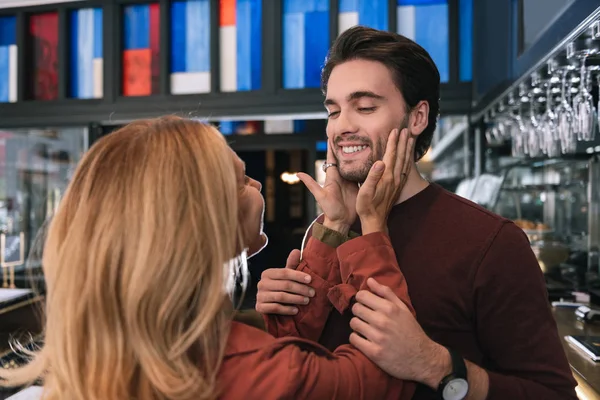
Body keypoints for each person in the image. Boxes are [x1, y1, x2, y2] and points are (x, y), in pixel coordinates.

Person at [256, 26, 578, 400]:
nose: (342, 126)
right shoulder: (326, 229)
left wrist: (436, 365)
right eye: (333, 110)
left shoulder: (492, 243)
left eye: (365, 107)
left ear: (416, 118)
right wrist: (282, 306)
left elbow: (553, 394)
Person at [0, 116, 417, 400]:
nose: (256, 182)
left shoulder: (124, 348)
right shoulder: (242, 364)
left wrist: (334, 228)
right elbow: (382, 381)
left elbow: (285, 362)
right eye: (241, 179)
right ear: (203, 217)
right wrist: (374, 228)